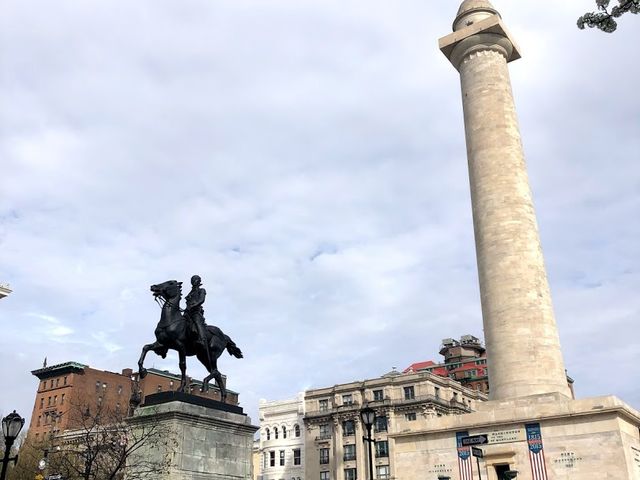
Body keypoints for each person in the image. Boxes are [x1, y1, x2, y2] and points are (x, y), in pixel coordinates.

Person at [185, 275, 213, 367]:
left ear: (198, 281)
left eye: (195, 279)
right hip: (187, 312)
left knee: (197, 322)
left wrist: (194, 305)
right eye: (192, 279)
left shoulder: (202, 290)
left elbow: (201, 300)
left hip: (196, 312)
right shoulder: (190, 292)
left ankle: (201, 339)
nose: (193, 281)